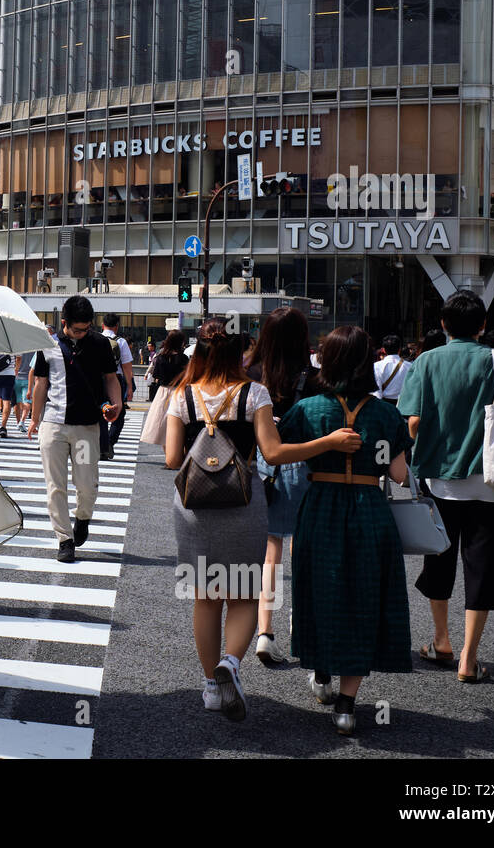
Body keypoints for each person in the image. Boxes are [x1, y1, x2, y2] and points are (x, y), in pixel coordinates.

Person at [164, 318, 363, 722]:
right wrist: (327, 442)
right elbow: (272, 454)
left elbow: (171, 459)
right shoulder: (254, 393)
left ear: (198, 354)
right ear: (238, 353)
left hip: (193, 506)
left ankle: (209, 685)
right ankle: (231, 665)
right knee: (243, 594)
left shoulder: (181, 396)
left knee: (205, 597)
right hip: (242, 501)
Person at [279, 325, 413, 735]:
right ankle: (347, 705)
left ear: (329, 361)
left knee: (320, 588)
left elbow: (278, 454)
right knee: (363, 598)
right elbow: (401, 475)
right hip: (369, 510)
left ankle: (321, 673)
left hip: (320, 507)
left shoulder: (309, 408)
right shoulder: (386, 414)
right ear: (367, 362)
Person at [397, 290, 494, 684]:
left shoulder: (426, 361)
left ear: (442, 325)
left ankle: (442, 640)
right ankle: (468, 660)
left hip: (440, 480)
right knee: (483, 570)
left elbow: (412, 424)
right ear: (484, 325)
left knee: (439, 563)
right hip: (492, 483)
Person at [29, 295, 121, 563]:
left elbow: (110, 378)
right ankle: (64, 539)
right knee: (55, 486)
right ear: (64, 322)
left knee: (86, 485)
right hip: (54, 426)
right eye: (78, 329)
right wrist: (35, 418)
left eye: (87, 328)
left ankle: (82, 518)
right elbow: (41, 384)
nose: (83, 333)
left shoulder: (101, 344)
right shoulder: (48, 344)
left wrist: (116, 405)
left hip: (86, 426)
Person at [246, 306, 315, 665]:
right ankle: (303, 632)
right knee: (304, 553)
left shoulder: (252, 374)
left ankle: (265, 632)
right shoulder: (315, 375)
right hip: (306, 465)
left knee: (270, 554)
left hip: (264, 467)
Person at [100, 314, 135, 460]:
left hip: (98, 380)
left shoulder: (96, 339)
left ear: (102, 325)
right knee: (119, 413)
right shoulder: (120, 342)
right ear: (117, 326)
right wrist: (129, 387)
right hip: (116, 380)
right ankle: (110, 442)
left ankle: (101, 445)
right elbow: (127, 367)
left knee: (100, 410)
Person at [149, 331, 189, 401]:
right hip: (179, 392)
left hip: (164, 391)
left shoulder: (160, 357)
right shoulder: (184, 358)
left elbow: (156, 375)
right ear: (180, 342)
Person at [373, 334, 411, 405]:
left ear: (384, 350)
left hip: (384, 404)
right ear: (400, 349)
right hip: (403, 405)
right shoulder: (409, 366)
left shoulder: (377, 366)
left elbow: (377, 393)